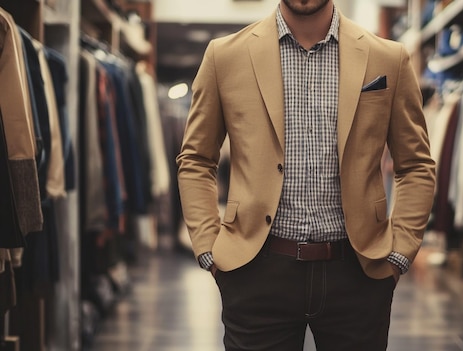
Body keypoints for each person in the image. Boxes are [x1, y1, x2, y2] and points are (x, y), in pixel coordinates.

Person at [176, 1, 436, 350]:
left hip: (358, 272)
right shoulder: (225, 56)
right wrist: (210, 250)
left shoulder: (388, 57)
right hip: (256, 272)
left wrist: (399, 255)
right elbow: (196, 159)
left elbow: (415, 165)